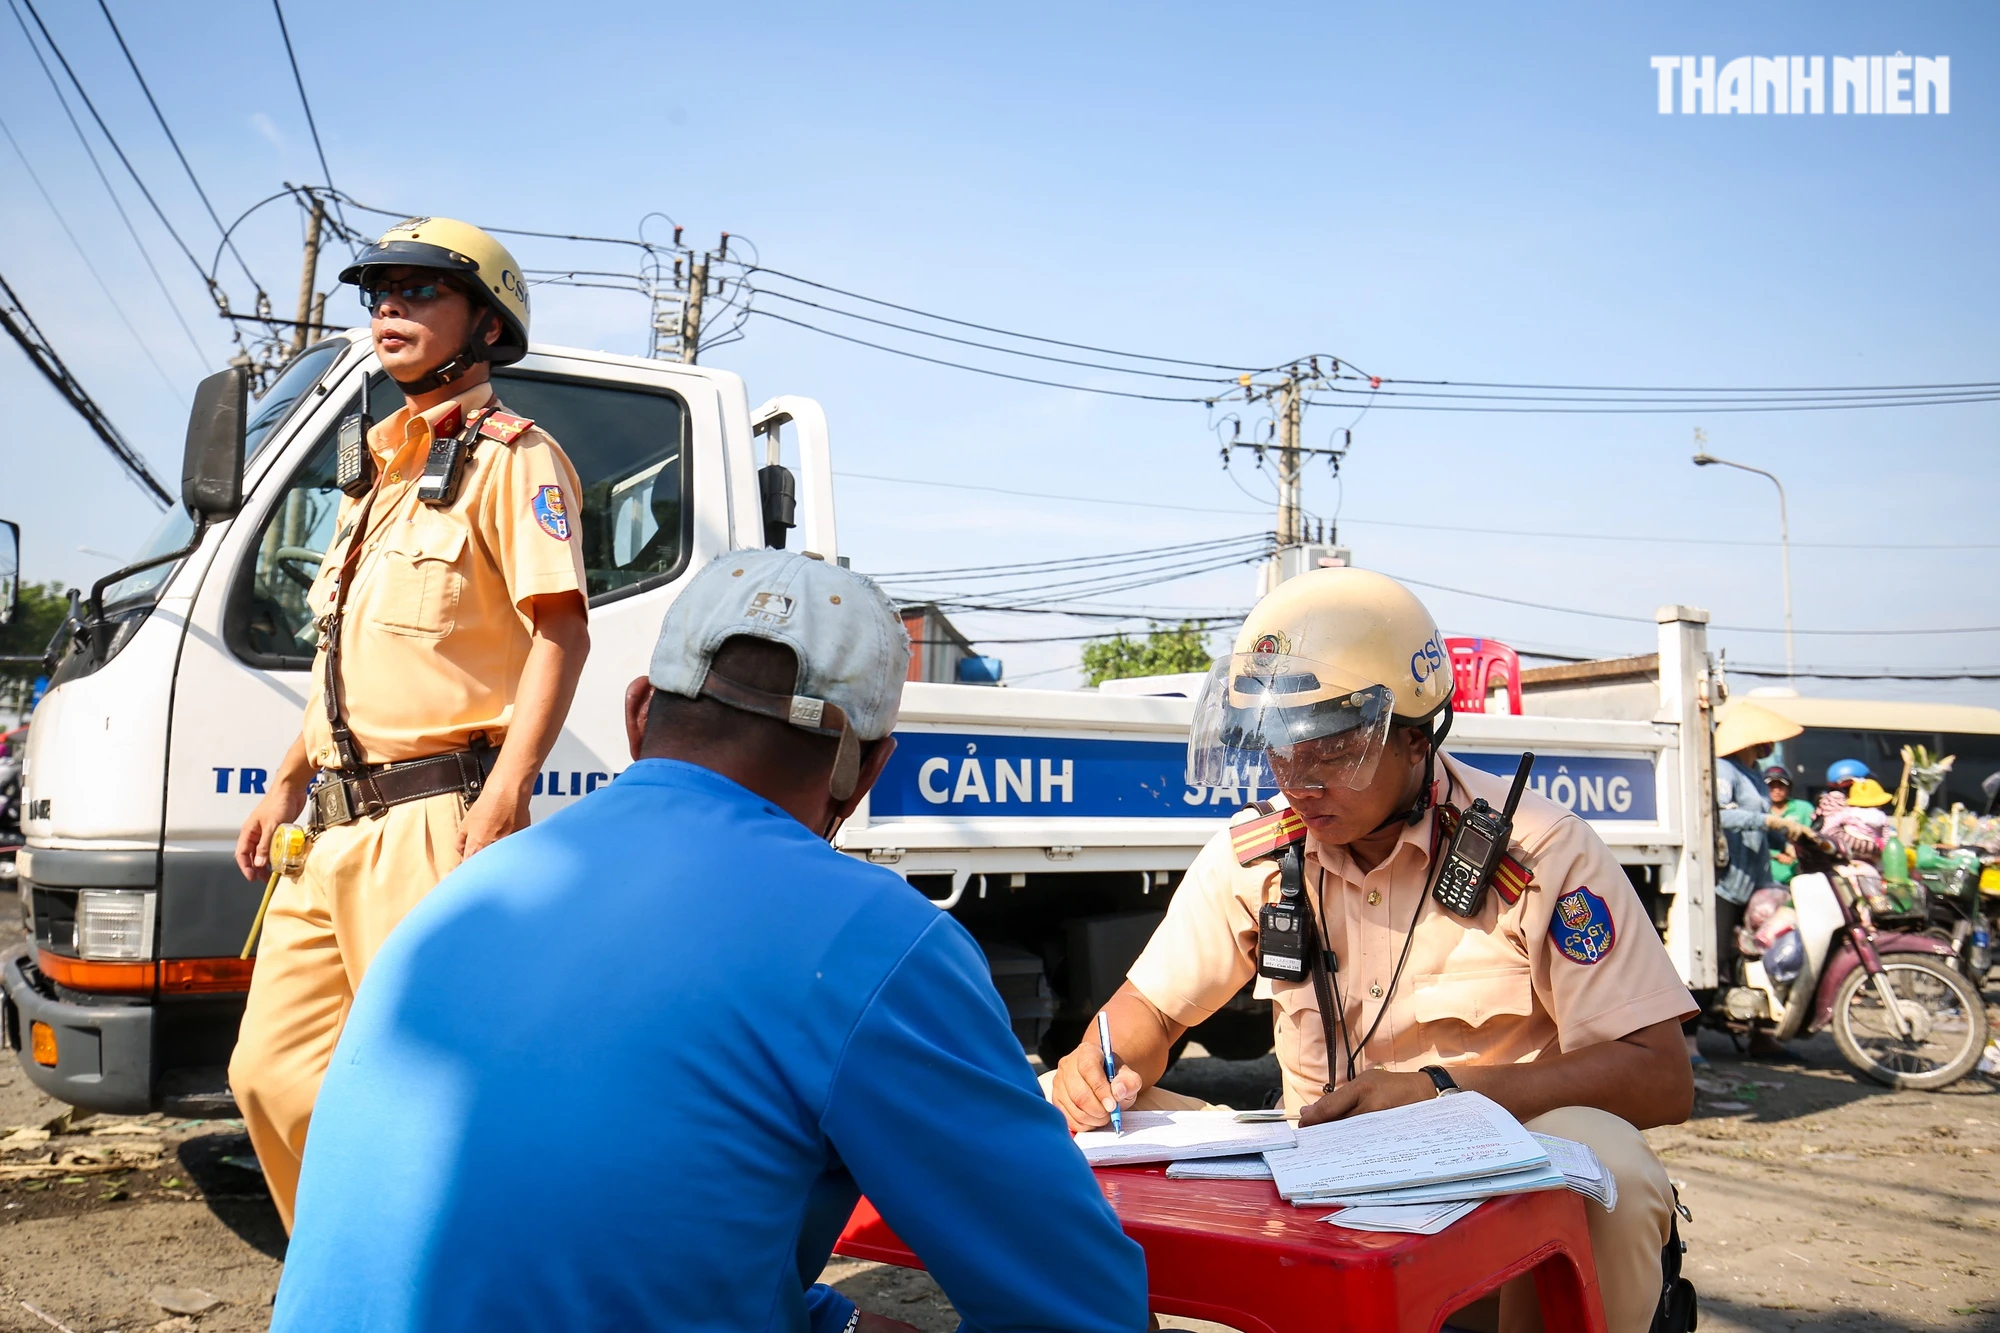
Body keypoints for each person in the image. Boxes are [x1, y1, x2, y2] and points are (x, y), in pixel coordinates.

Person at [272, 550, 1147, 1333]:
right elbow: (1082, 1306)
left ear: (639, 709)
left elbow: (596, 1227)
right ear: (868, 768)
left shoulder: (464, 896)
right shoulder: (872, 940)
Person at [1048, 569, 1697, 1333]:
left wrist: (1442, 1089)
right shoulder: (1255, 855)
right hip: (1314, 1198)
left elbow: (1660, 1074)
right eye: (1279, 751)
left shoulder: (1541, 850)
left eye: (1333, 750)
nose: (1299, 783)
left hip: (1493, 1210)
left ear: (1418, 737)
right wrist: (1100, 1062)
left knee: (1607, 1163)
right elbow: (1151, 1007)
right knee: (1058, 1115)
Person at [229, 217, 592, 1228]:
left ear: (484, 322)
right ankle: (359, 1270)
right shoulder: (374, 471)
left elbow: (560, 636)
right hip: (332, 830)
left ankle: (454, 1284)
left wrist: (508, 794)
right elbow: (346, 657)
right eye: (378, 292)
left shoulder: (514, 458)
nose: (388, 307)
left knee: (438, 1091)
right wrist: (287, 777)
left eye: (419, 292)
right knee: (273, 1076)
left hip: (434, 818)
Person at [1763, 765, 1815, 886]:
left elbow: (1813, 840)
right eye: (1771, 786)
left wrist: (1795, 854)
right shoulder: (1758, 811)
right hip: (1766, 878)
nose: (1776, 790)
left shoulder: (1804, 809)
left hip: (1801, 876)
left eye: (1781, 785)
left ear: (1789, 787)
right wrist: (1776, 855)